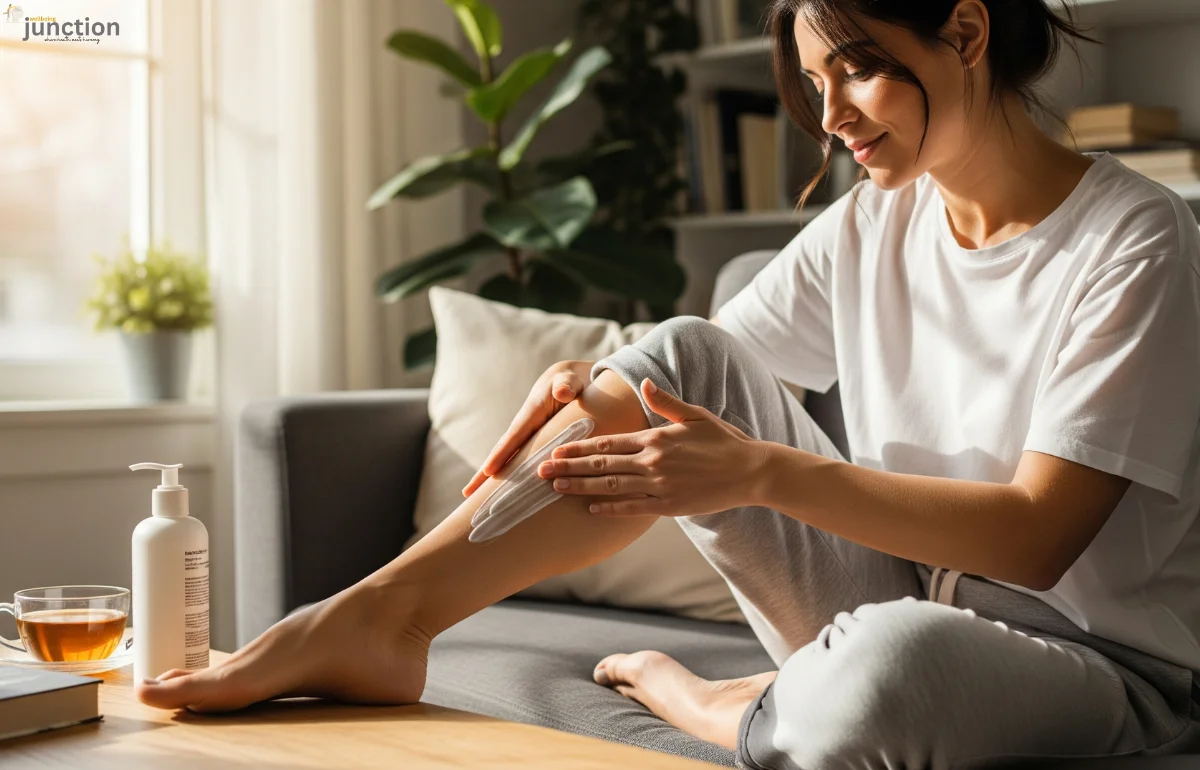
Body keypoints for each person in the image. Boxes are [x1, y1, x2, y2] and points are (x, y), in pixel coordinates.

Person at [137, 0, 1200, 766]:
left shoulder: (1136, 237)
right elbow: (693, 375)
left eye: (858, 68)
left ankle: (712, 700)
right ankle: (380, 615)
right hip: (893, 592)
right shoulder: (879, 217)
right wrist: (603, 375)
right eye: (814, 81)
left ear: (965, 34)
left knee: (892, 667)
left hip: (1100, 664)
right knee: (675, 354)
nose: (828, 113)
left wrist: (764, 473)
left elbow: (1035, 533)